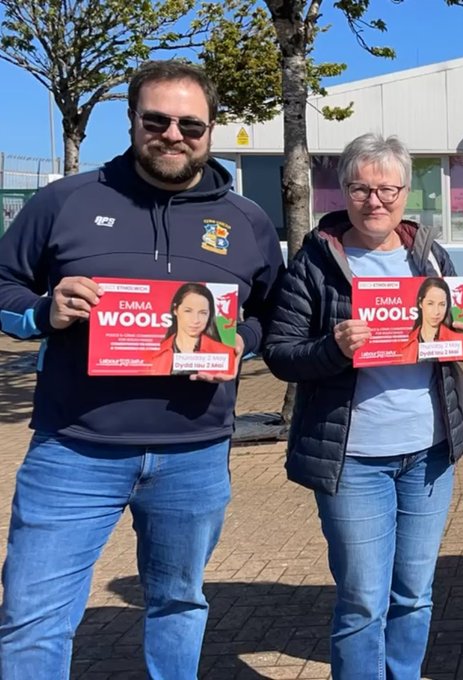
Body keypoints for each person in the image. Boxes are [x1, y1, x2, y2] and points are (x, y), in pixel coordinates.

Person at [0, 60, 283, 677]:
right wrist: (46, 311)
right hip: (73, 449)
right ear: (131, 122)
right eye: (157, 120)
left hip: (195, 451)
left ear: (211, 130)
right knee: (32, 618)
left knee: (179, 603)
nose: (173, 135)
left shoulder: (247, 220)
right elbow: (5, 288)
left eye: (191, 124)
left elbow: (269, 313)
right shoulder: (64, 201)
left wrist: (240, 343)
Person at [263, 133, 463, 679]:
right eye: (361, 188)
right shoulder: (315, 260)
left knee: (414, 593)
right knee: (363, 600)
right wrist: (332, 349)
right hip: (353, 457)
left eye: (388, 189)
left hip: (429, 452)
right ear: (343, 192)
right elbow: (280, 353)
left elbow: (458, 347)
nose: (375, 200)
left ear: (407, 192)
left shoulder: (427, 253)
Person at [148, 282, 237, 374]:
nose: (195, 320)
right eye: (188, 311)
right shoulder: (153, 356)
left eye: (203, 313)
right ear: (175, 310)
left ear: (209, 314)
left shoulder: (226, 354)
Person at [398, 277, 463, 363]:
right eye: (430, 304)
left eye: (442, 304)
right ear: (420, 303)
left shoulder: (456, 340)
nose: (436, 312)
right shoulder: (407, 344)